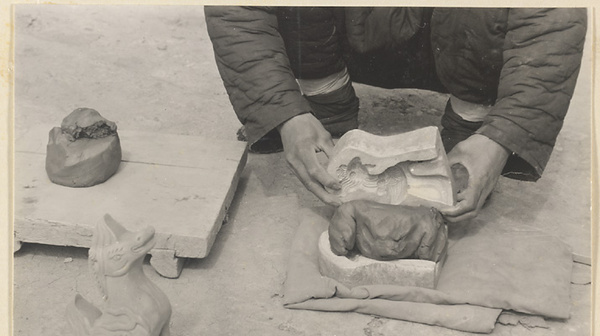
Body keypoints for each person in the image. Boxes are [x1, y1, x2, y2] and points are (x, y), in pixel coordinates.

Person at [205, 7, 587, 223]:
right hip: (347, 28)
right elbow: (238, 12)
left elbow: (553, 21)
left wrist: (502, 136)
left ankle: (472, 118)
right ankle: (323, 96)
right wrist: (286, 114)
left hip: (455, 39)